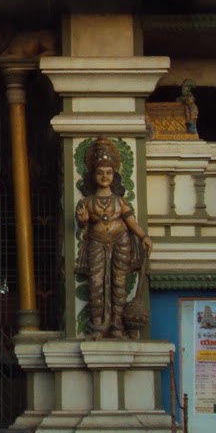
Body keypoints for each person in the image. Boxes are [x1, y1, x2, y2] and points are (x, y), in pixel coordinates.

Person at [75, 140, 152, 339]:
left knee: (119, 284)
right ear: (93, 175)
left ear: (114, 175)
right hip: (96, 241)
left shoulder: (119, 201)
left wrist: (143, 236)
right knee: (96, 283)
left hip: (121, 241)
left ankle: (117, 325)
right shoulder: (88, 201)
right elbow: (85, 223)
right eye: (100, 172)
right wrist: (83, 221)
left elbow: (131, 221)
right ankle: (98, 326)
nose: (104, 176)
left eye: (108, 172)